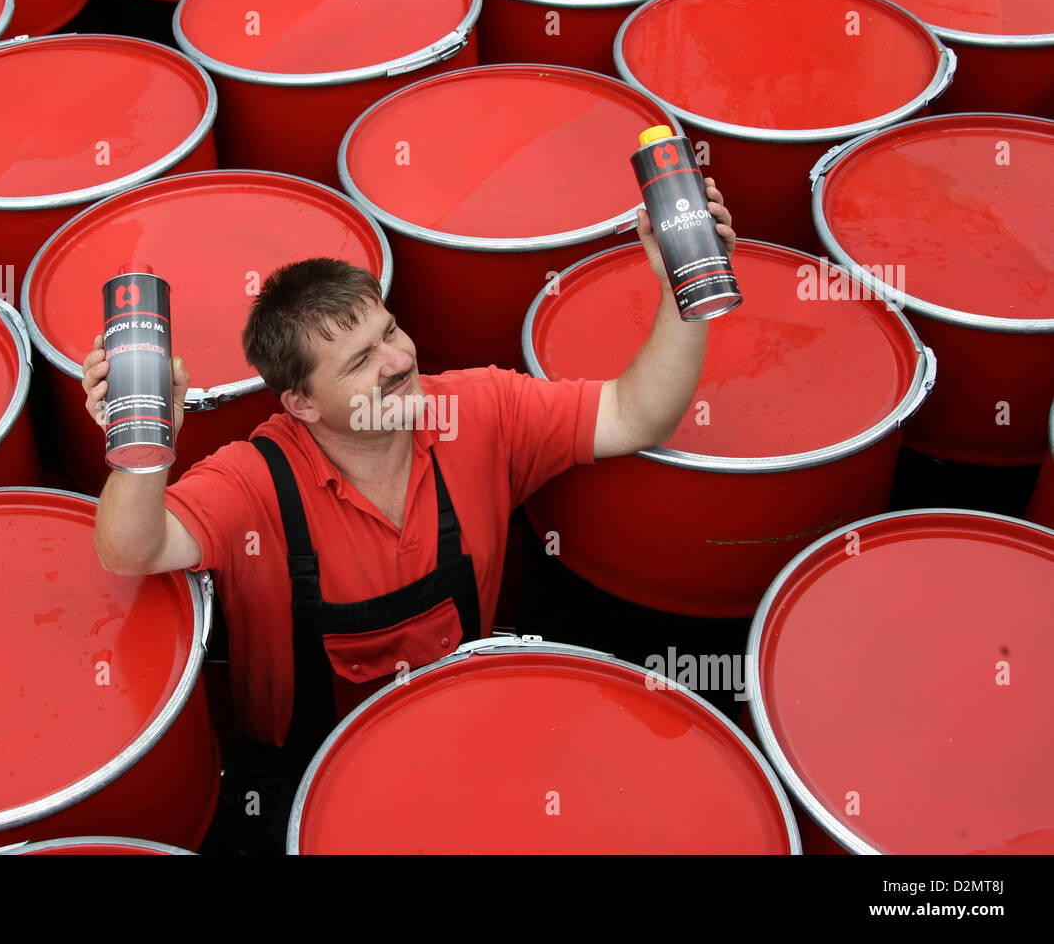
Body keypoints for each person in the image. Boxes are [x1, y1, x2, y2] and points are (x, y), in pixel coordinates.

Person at [83, 180, 735, 853]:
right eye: (362, 361)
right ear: (301, 404)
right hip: (300, 774)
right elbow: (130, 550)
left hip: (462, 740)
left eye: (389, 330)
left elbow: (636, 414)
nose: (399, 361)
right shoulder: (253, 480)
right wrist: (141, 444)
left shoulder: (480, 411)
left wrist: (679, 289)